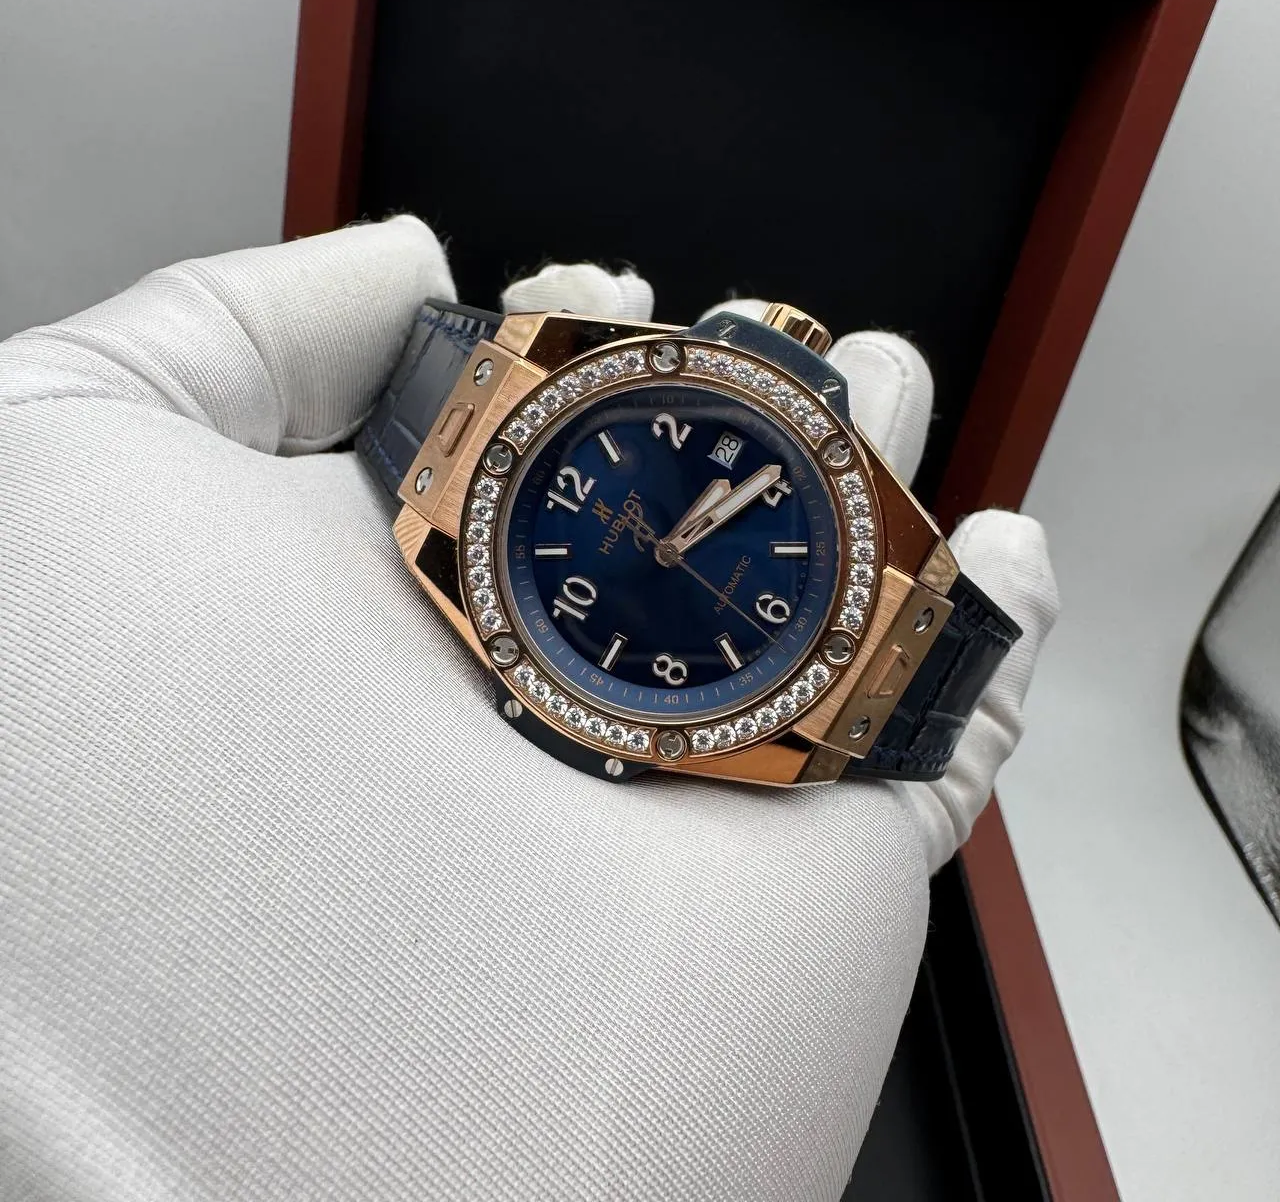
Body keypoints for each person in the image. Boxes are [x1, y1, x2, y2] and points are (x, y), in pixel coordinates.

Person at [0, 216, 1057, 1201]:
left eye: (684, 543)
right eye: (667, 529)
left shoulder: (829, 656)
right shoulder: (520, 394)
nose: (668, 548)